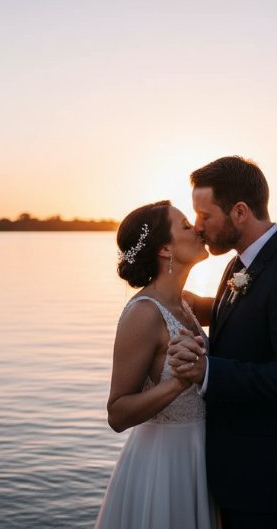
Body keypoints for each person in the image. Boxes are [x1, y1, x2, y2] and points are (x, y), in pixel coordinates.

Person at [168, 156, 277, 529]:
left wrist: (208, 371)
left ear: (239, 212)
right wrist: (191, 305)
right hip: (237, 473)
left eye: (205, 215)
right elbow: (247, 313)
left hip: (270, 481)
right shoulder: (241, 263)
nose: (198, 226)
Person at [94, 200, 218, 529]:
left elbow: (241, 307)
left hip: (199, 456)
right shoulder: (143, 313)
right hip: (163, 464)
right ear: (165, 248)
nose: (198, 229)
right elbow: (117, 413)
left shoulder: (186, 302)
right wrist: (178, 383)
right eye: (185, 226)